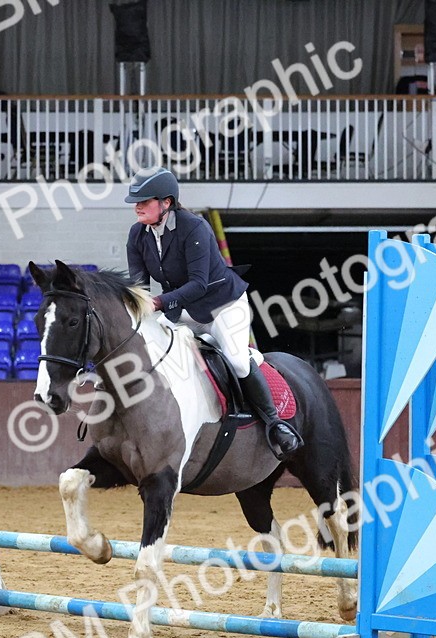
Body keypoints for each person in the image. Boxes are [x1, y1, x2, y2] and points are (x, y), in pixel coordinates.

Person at [123, 166, 302, 460]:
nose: (137, 207)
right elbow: (139, 287)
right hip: (182, 310)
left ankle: (275, 423)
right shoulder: (137, 235)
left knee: (236, 360)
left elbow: (198, 284)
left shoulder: (195, 228)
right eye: (136, 202)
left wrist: (157, 303)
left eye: (144, 201)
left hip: (223, 305)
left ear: (166, 203)